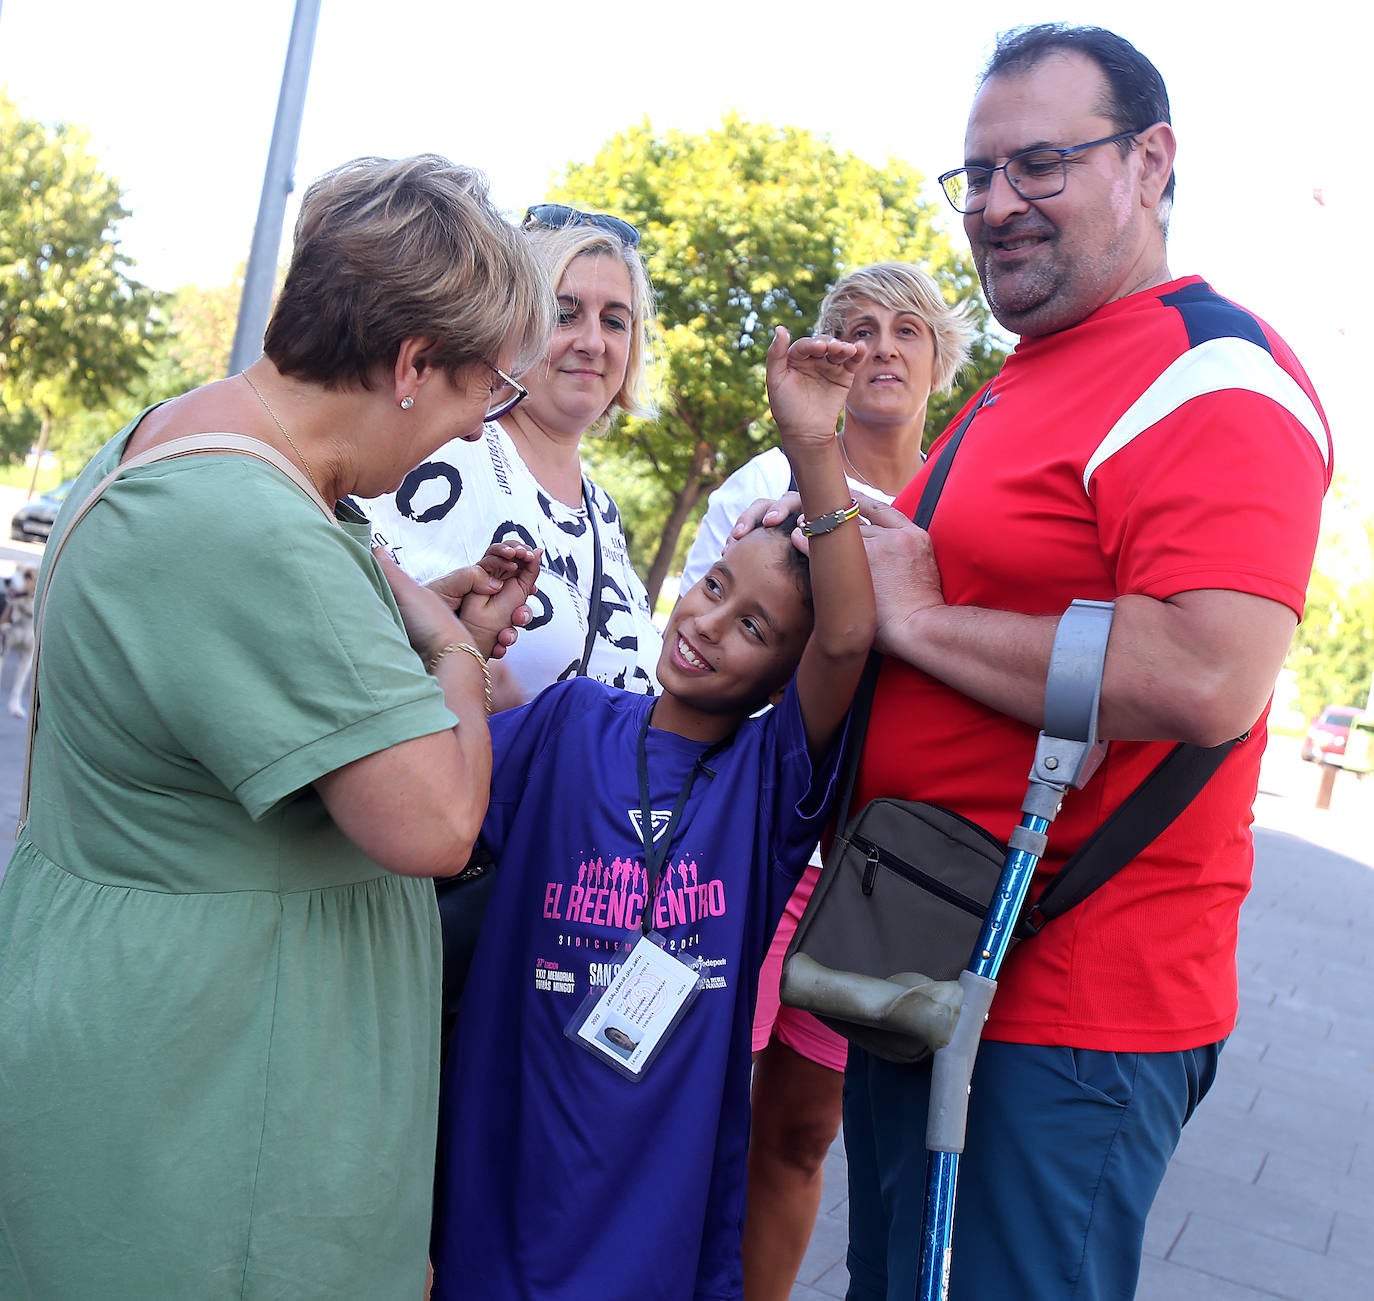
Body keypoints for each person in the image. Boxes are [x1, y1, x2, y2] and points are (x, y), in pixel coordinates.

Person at [742, 24, 1332, 1300]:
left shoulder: (1211, 376)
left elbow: (1207, 671)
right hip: (935, 969)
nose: (998, 203)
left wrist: (919, 617)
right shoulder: (1035, 375)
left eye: (1042, 163)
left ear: (1151, 161)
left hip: (1063, 1007)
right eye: (978, 174)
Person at [0, 154, 555, 1300]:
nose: (470, 434)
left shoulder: (188, 440)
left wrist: (402, 639)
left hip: (169, 1066)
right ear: (411, 364)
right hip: (210, 1114)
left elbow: (252, 680)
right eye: (483, 393)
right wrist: (447, 647)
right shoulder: (254, 523)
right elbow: (437, 822)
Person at [427, 325, 877, 1301]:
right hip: (501, 1191)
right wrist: (460, 648)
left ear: (782, 670)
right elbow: (439, 801)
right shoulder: (566, 724)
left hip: (651, 1224)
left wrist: (813, 446)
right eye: (714, 588)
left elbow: (846, 635)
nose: (711, 623)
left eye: (754, 626)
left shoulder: (766, 786)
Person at [679, 263, 974, 1301]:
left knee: (803, 1130)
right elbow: (701, 654)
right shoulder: (762, 485)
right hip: (756, 838)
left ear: (942, 358)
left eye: (907, 329)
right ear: (827, 359)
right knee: (693, 1098)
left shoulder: (963, 498)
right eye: (857, 330)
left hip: (882, 868)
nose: (882, 346)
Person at [359, 204, 662, 709]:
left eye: (615, 321)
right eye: (565, 315)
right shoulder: (451, 450)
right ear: (515, 323)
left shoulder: (603, 513)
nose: (593, 342)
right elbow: (361, 632)